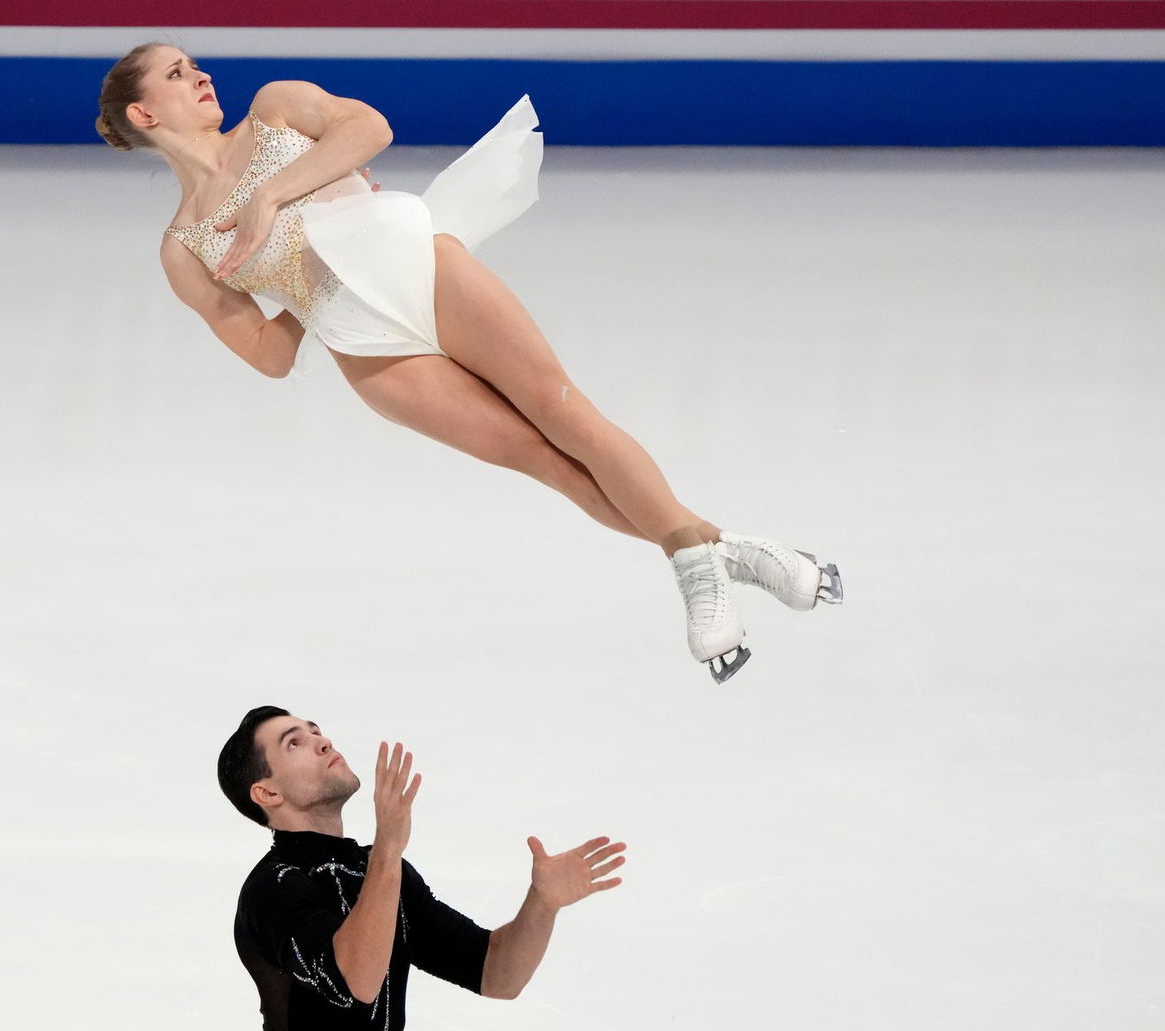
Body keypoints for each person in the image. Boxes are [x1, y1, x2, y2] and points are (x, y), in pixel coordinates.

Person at [95, 44, 843, 682]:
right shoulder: (184, 245)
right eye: (176, 72)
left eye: (194, 63)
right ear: (143, 115)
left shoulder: (274, 108)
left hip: (417, 262)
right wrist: (305, 281)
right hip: (366, 345)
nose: (200, 75)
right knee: (545, 463)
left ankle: (693, 566)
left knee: (564, 414)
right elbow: (264, 354)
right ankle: (729, 553)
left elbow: (368, 128)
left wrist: (272, 203)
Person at [216, 705, 626, 1031]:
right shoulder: (273, 890)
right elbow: (356, 980)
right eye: (294, 743)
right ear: (266, 792)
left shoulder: (379, 871)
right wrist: (389, 847)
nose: (321, 742)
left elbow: (498, 973)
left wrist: (542, 903)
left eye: (315, 730)